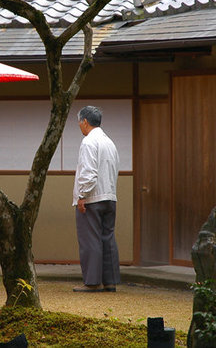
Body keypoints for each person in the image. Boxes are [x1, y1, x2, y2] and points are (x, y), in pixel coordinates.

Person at [72, 106, 120, 293]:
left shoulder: (88, 142)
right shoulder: (110, 142)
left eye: (79, 122)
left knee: (90, 239)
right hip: (109, 195)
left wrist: (82, 195)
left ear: (85, 121)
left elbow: (88, 172)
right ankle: (110, 281)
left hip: (92, 197)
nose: (79, 126)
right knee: (107, 238)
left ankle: (92, 282)